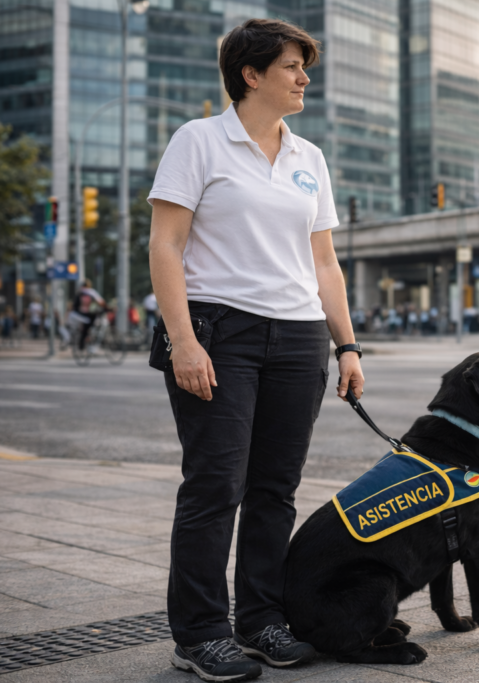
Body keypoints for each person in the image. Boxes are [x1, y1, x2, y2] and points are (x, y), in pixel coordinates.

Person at [147, 19, 364, 682]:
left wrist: (347, 346)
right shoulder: (199, 141)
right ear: (252, 74)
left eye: (305, 67)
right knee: (215, 483)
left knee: (274, 488)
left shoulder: (309, 158)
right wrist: (183, 340)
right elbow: (165, 245)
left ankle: (261, 619)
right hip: (220, 332)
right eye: (293, 66)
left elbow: (324, 262)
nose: (304, 78)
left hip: (299, 336)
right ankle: (201, 633)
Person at [69, 279, 106, 350]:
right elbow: (100, 302)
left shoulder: (81, 292)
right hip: (84, 314)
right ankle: (86, 343)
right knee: (89, 325)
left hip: (80, 313)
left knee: (88, 326)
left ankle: (85, 341)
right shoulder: (90, 292)